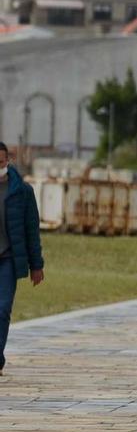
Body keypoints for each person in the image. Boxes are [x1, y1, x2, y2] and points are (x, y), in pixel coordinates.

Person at [0, 142, 44, 377]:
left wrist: (37, 265)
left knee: (3, 308)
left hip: (7, 258)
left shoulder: (22, 191)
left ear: (8, 161)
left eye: (0, 162)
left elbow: (31, 230)